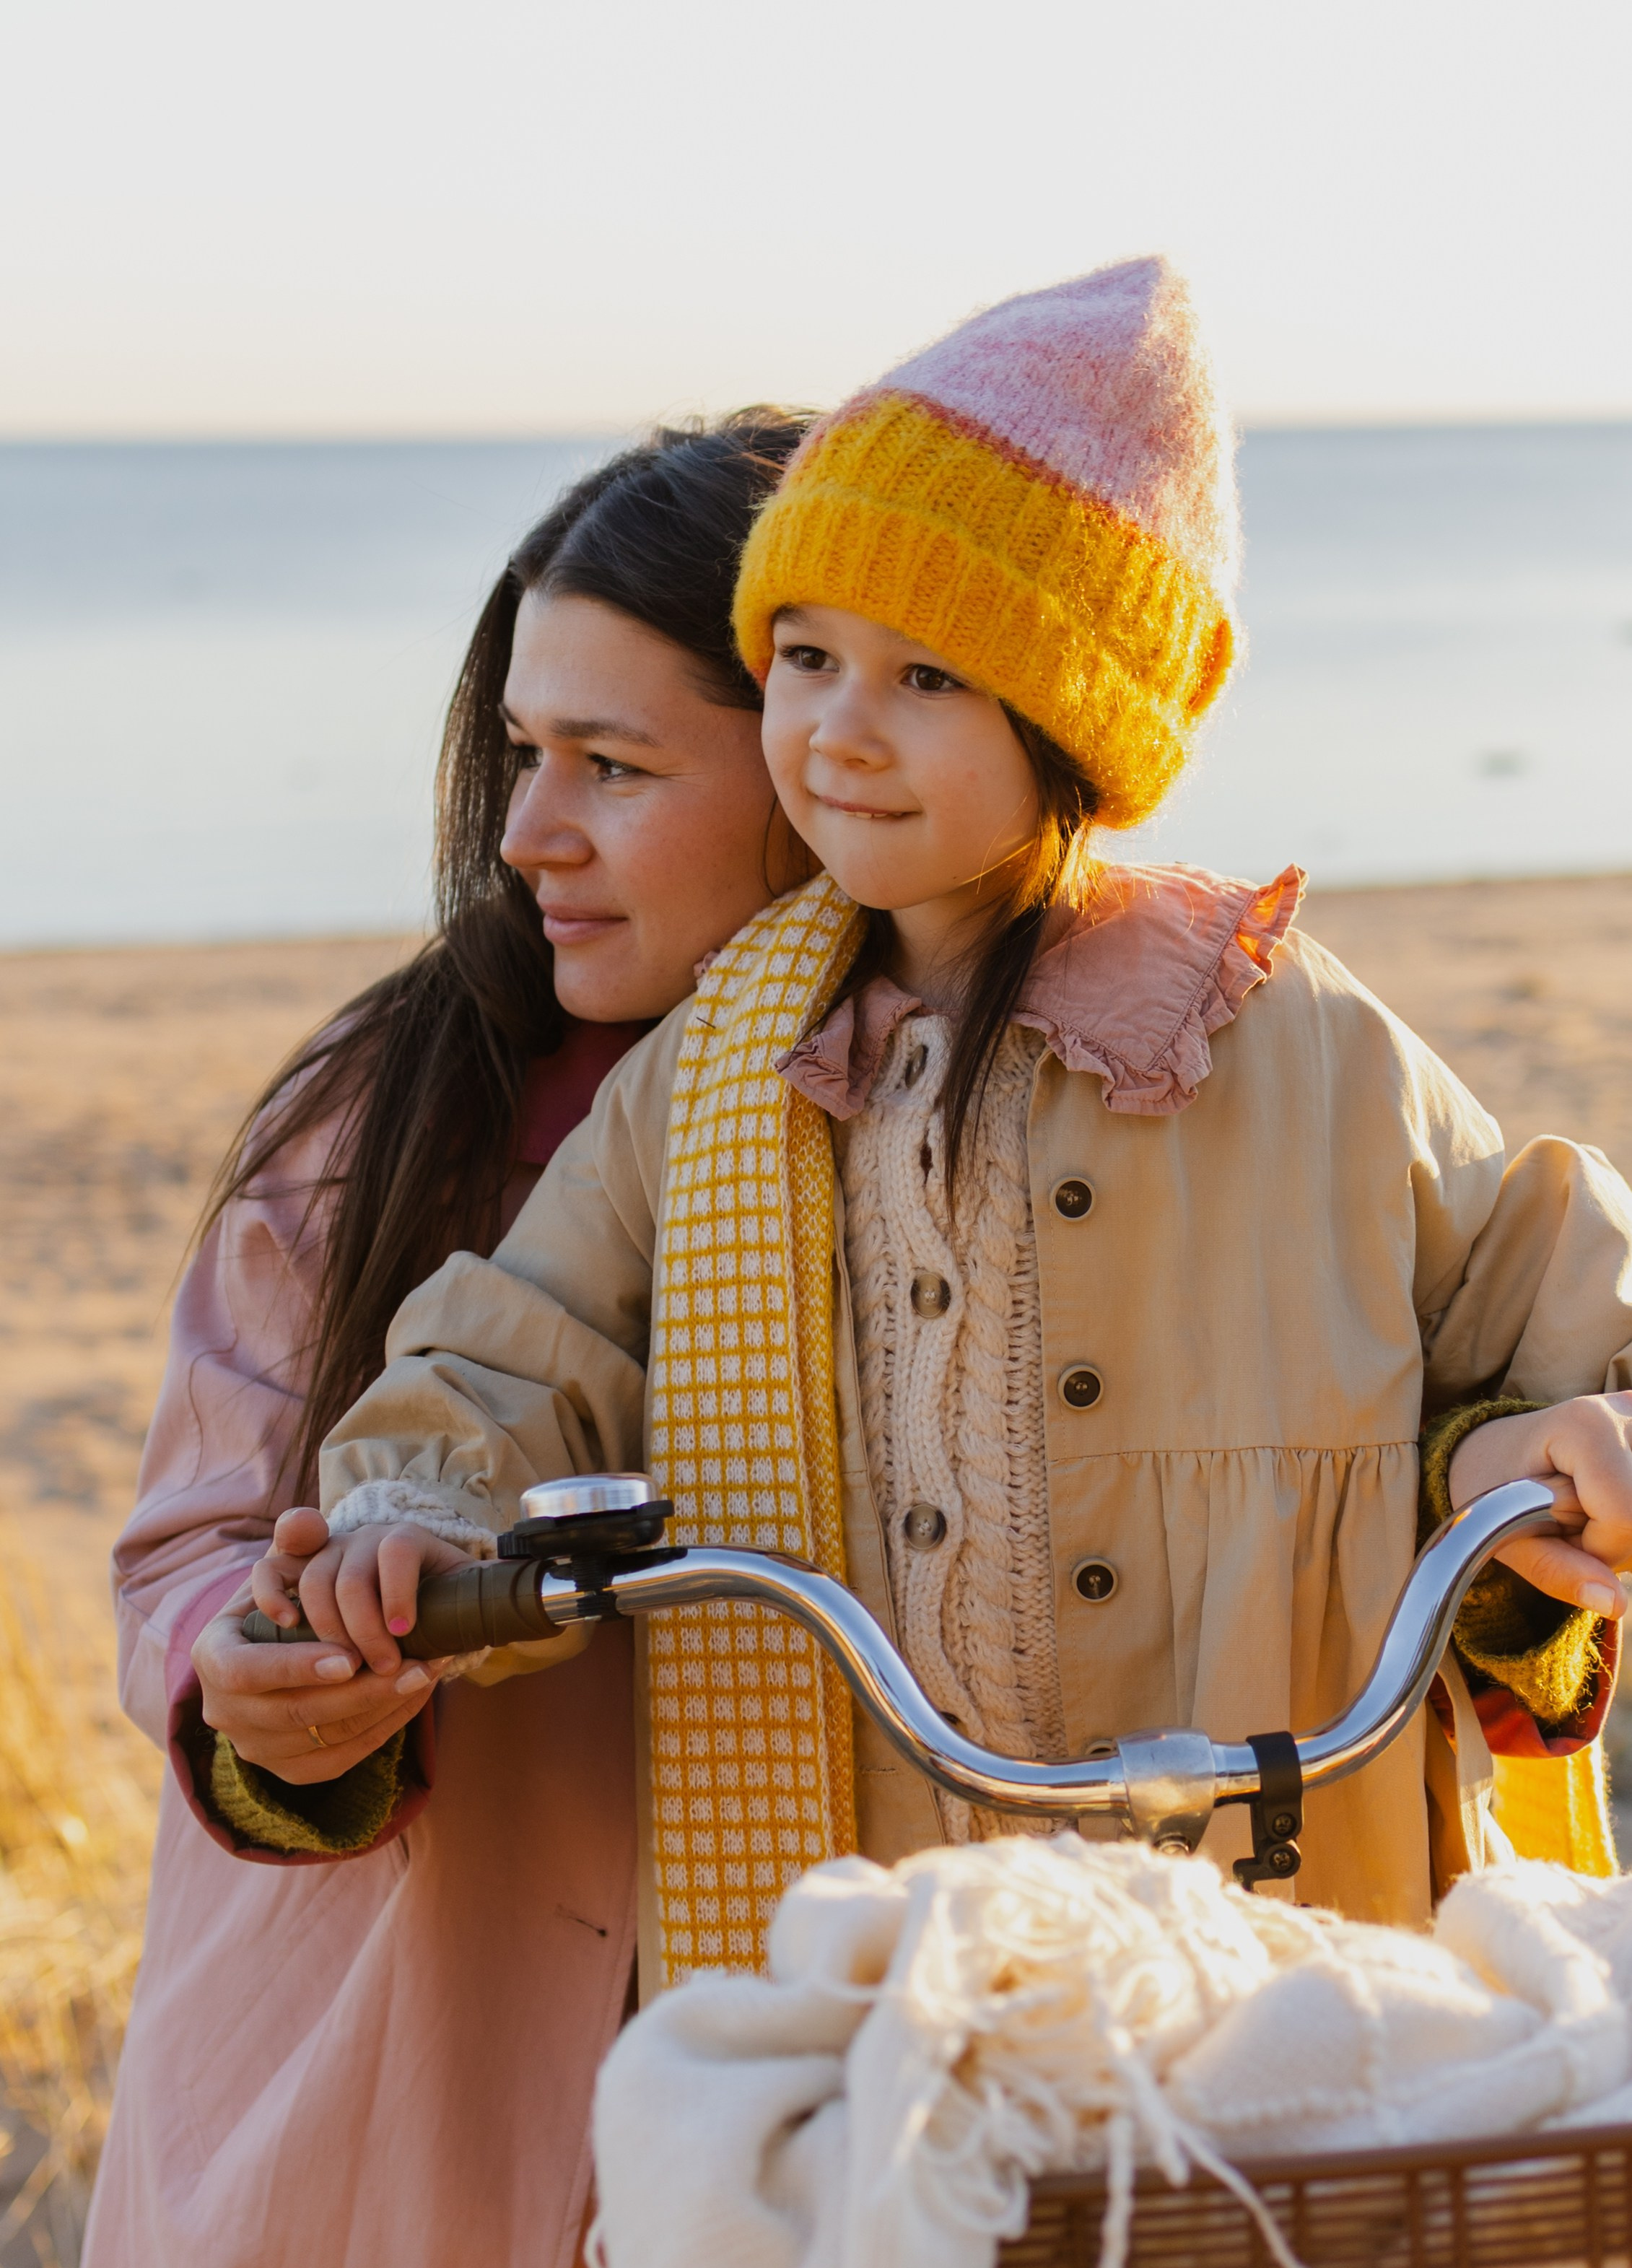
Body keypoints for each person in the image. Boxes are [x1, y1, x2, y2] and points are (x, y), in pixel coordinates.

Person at [259, 263, 1632, 1973]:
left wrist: (1517, 1462)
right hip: (873, 1925)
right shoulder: (720, 1067)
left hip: (1274, 1897)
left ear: (1066, 711)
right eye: (808, 658)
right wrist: (414, 1516)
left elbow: (1538, 1315)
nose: (837, 732)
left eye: (928, 679)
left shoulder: (1295, 1036)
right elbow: (522, 1346)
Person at [64, 411, 814, 2268]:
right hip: (398, 2091)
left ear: (832, 764)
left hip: (822, 2110)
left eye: (614, 768)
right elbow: (192, 1544)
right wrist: (264, 1682)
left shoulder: (1022, 1133)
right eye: (518, 755)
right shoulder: (393, 1104)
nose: (524, 835)